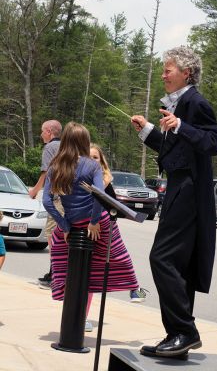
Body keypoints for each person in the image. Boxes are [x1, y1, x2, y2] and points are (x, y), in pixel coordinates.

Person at [131, 46, 217, 359]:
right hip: (177, 190)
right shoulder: (177, 106)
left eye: (168, 69)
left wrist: (181, 126)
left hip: (188, 193)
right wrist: (147, 131)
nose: (163, 74)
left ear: (186, 72)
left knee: (162, 259)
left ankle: (185, 330)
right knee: (178, 266)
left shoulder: (195, 102)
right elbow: (174, 150)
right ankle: (177, 337)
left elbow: (214, 142)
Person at [42, 122, 142, 334]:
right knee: (116, 255)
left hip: (72, 225)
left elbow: (47, 202)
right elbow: (99, 195)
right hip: (97, 223)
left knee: (60, 258)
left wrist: (65, 225)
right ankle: (134, 289)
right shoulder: (92, 166)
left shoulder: (55, 166)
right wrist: (94, 221)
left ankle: (62, 293)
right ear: (84, 142)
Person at [90, 143, 147, 303]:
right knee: (88, 271)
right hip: (87, 225)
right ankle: (81, 317)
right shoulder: (81, 176)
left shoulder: (104, 178)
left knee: (120, 257)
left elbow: (111, 203)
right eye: (88, 157)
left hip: (105, 225)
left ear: (102, 162)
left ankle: (134, 289)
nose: (92, 160)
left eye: (95, 157)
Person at [29, 120, 63, 289]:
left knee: (52, 237)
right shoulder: (69, 146)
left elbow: (46, 172)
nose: (41, 134)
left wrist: (34, 190)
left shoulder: (50, 148)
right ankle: (56, 274)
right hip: (70, 200)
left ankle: (54, 276)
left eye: (43, 131)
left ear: (49, 131)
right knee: (62, 238)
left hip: (57, 200)